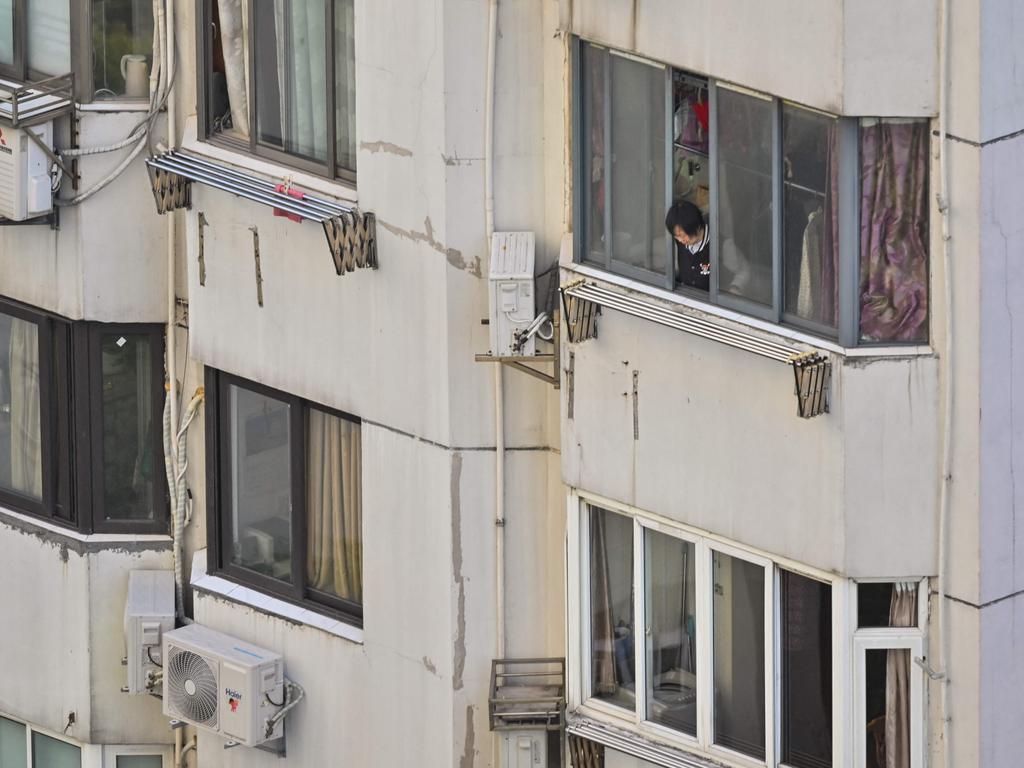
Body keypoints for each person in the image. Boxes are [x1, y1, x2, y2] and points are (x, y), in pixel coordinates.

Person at [665, 201, 710, 291]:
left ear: (696, 227)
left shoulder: (721, 245)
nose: (681, 240)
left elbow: (743, 271)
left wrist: (734, 288)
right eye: (677, 236)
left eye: (683, 235)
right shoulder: (679, 242)